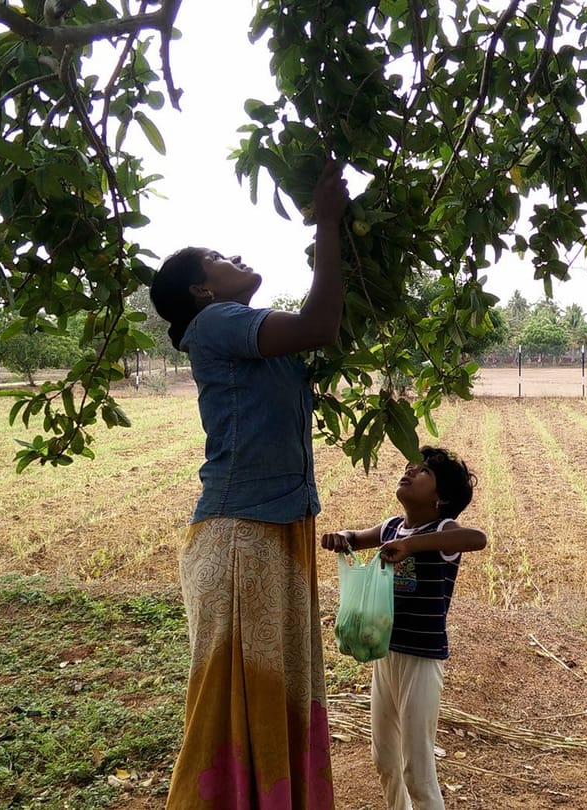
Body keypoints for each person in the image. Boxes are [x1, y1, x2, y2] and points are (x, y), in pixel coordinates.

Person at [150, 160, 349, 809]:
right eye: (217, 256)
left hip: (272, 528)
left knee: (276, 689)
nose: (233, 255)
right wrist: (328, 225)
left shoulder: (242, 327)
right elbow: (321, 326)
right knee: (236, 703)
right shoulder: (218, 323)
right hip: (244, 536)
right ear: (203, 292)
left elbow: (324, 322)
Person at [320, 446, 487, 810]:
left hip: (422, 660)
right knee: (384, 760)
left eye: (423, 471)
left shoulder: (443, 530)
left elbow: (476, 538)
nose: (410, 471)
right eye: (411, 465)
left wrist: (411, 546)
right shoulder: (393, 526)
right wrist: (342, 537)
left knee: (417, 770)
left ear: (440, 498)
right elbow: (355, 535)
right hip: (387, 654)